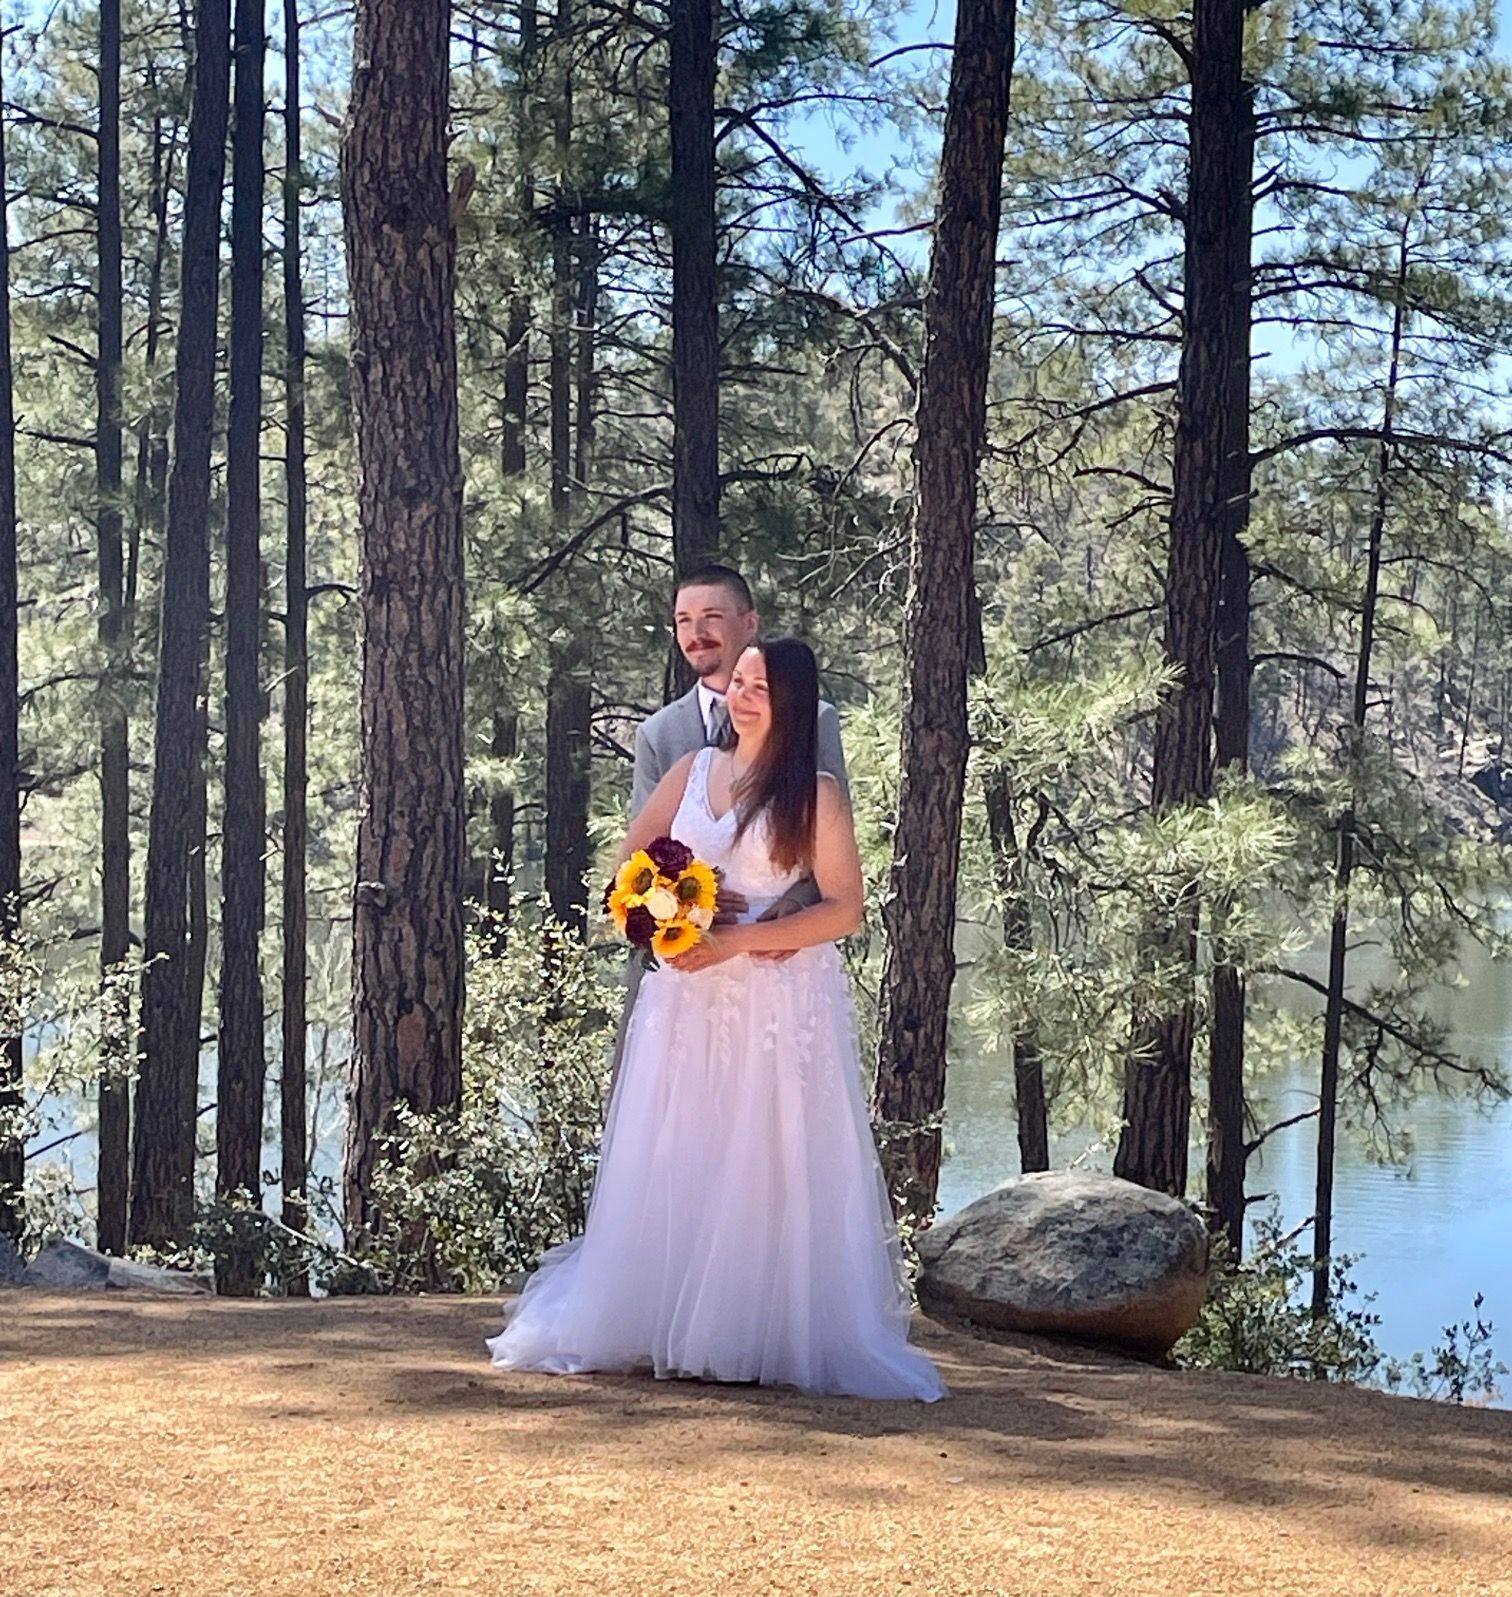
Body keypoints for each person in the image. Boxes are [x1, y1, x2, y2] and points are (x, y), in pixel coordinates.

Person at [487, 638, 945, 1401]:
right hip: (687, 995)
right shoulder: (690, 771)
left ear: (792, 700)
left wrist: (740, 936)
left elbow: (844, 908)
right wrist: (672, 907)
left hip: (773, 999)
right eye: (739, 681)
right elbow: (624, 878)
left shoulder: (815, 794)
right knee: (681, 1142)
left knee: (761, 1154)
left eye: (761, 685)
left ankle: (755, 1326)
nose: (744, 695)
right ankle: (657, 1314)